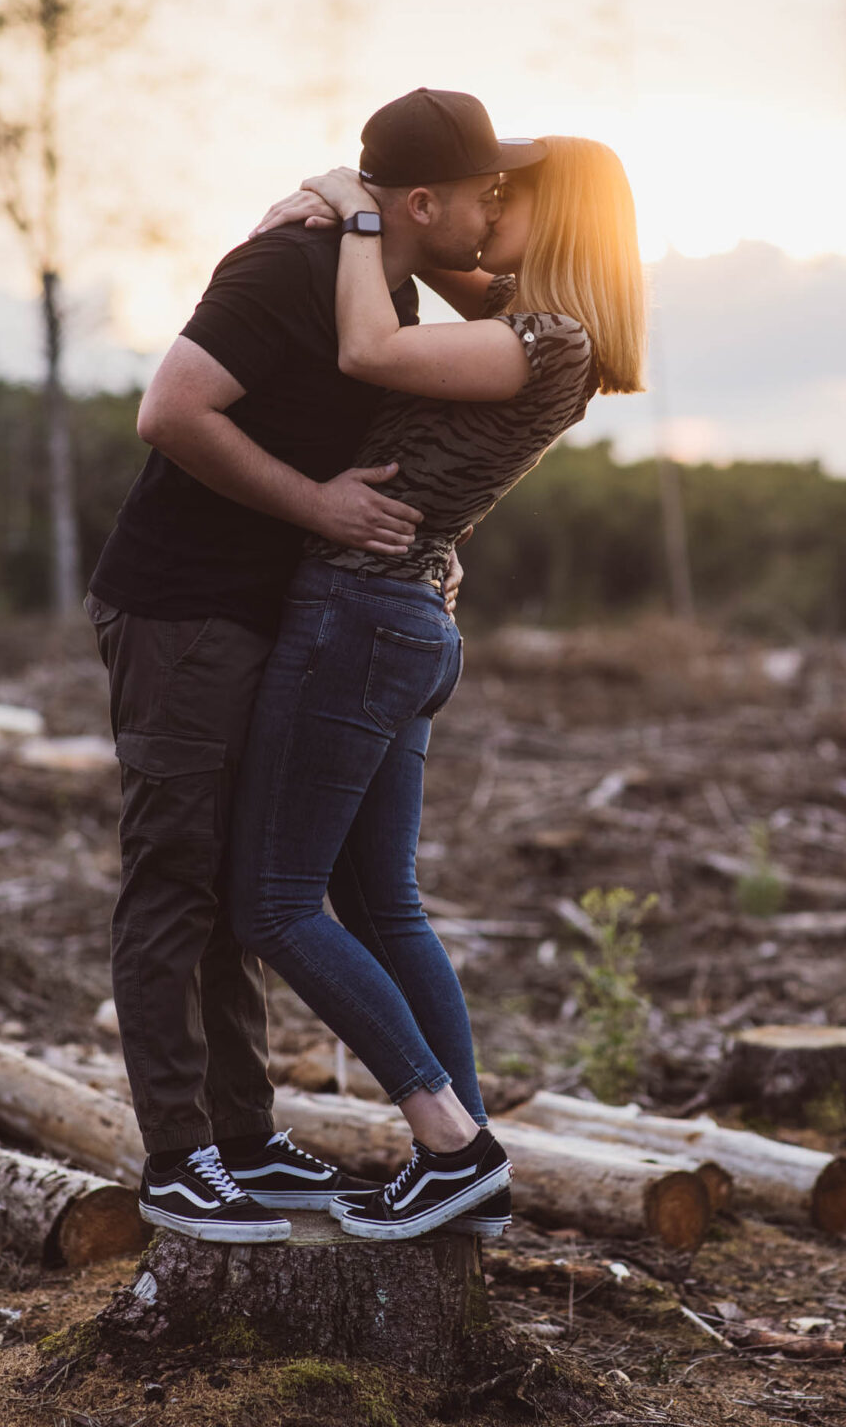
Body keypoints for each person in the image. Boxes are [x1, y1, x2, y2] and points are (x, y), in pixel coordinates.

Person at [84, 88, 544, 1242]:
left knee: (241, 886)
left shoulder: (374, 272)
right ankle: (178, 1158)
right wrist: (320, 509)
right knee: (174, 876)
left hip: (268, 614)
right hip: (183, 605)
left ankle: (243, 1139)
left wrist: (356, 205)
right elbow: (170, 409)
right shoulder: (286, 268)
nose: (495, 207)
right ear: (424, 199)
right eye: (479, 190)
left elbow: (524, 294)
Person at [229, 133, 646, 1240]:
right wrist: (350, 198)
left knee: (271, 901)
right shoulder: (542, 325)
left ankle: (453, 1147)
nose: (484, 204)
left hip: (360, 616)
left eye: (507, 196)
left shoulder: (542, 342)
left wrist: (357, 214)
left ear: (552, 222)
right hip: (402, 620)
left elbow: (368, 345)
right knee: (380, 903)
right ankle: (455, 1168)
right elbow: (430, 245)